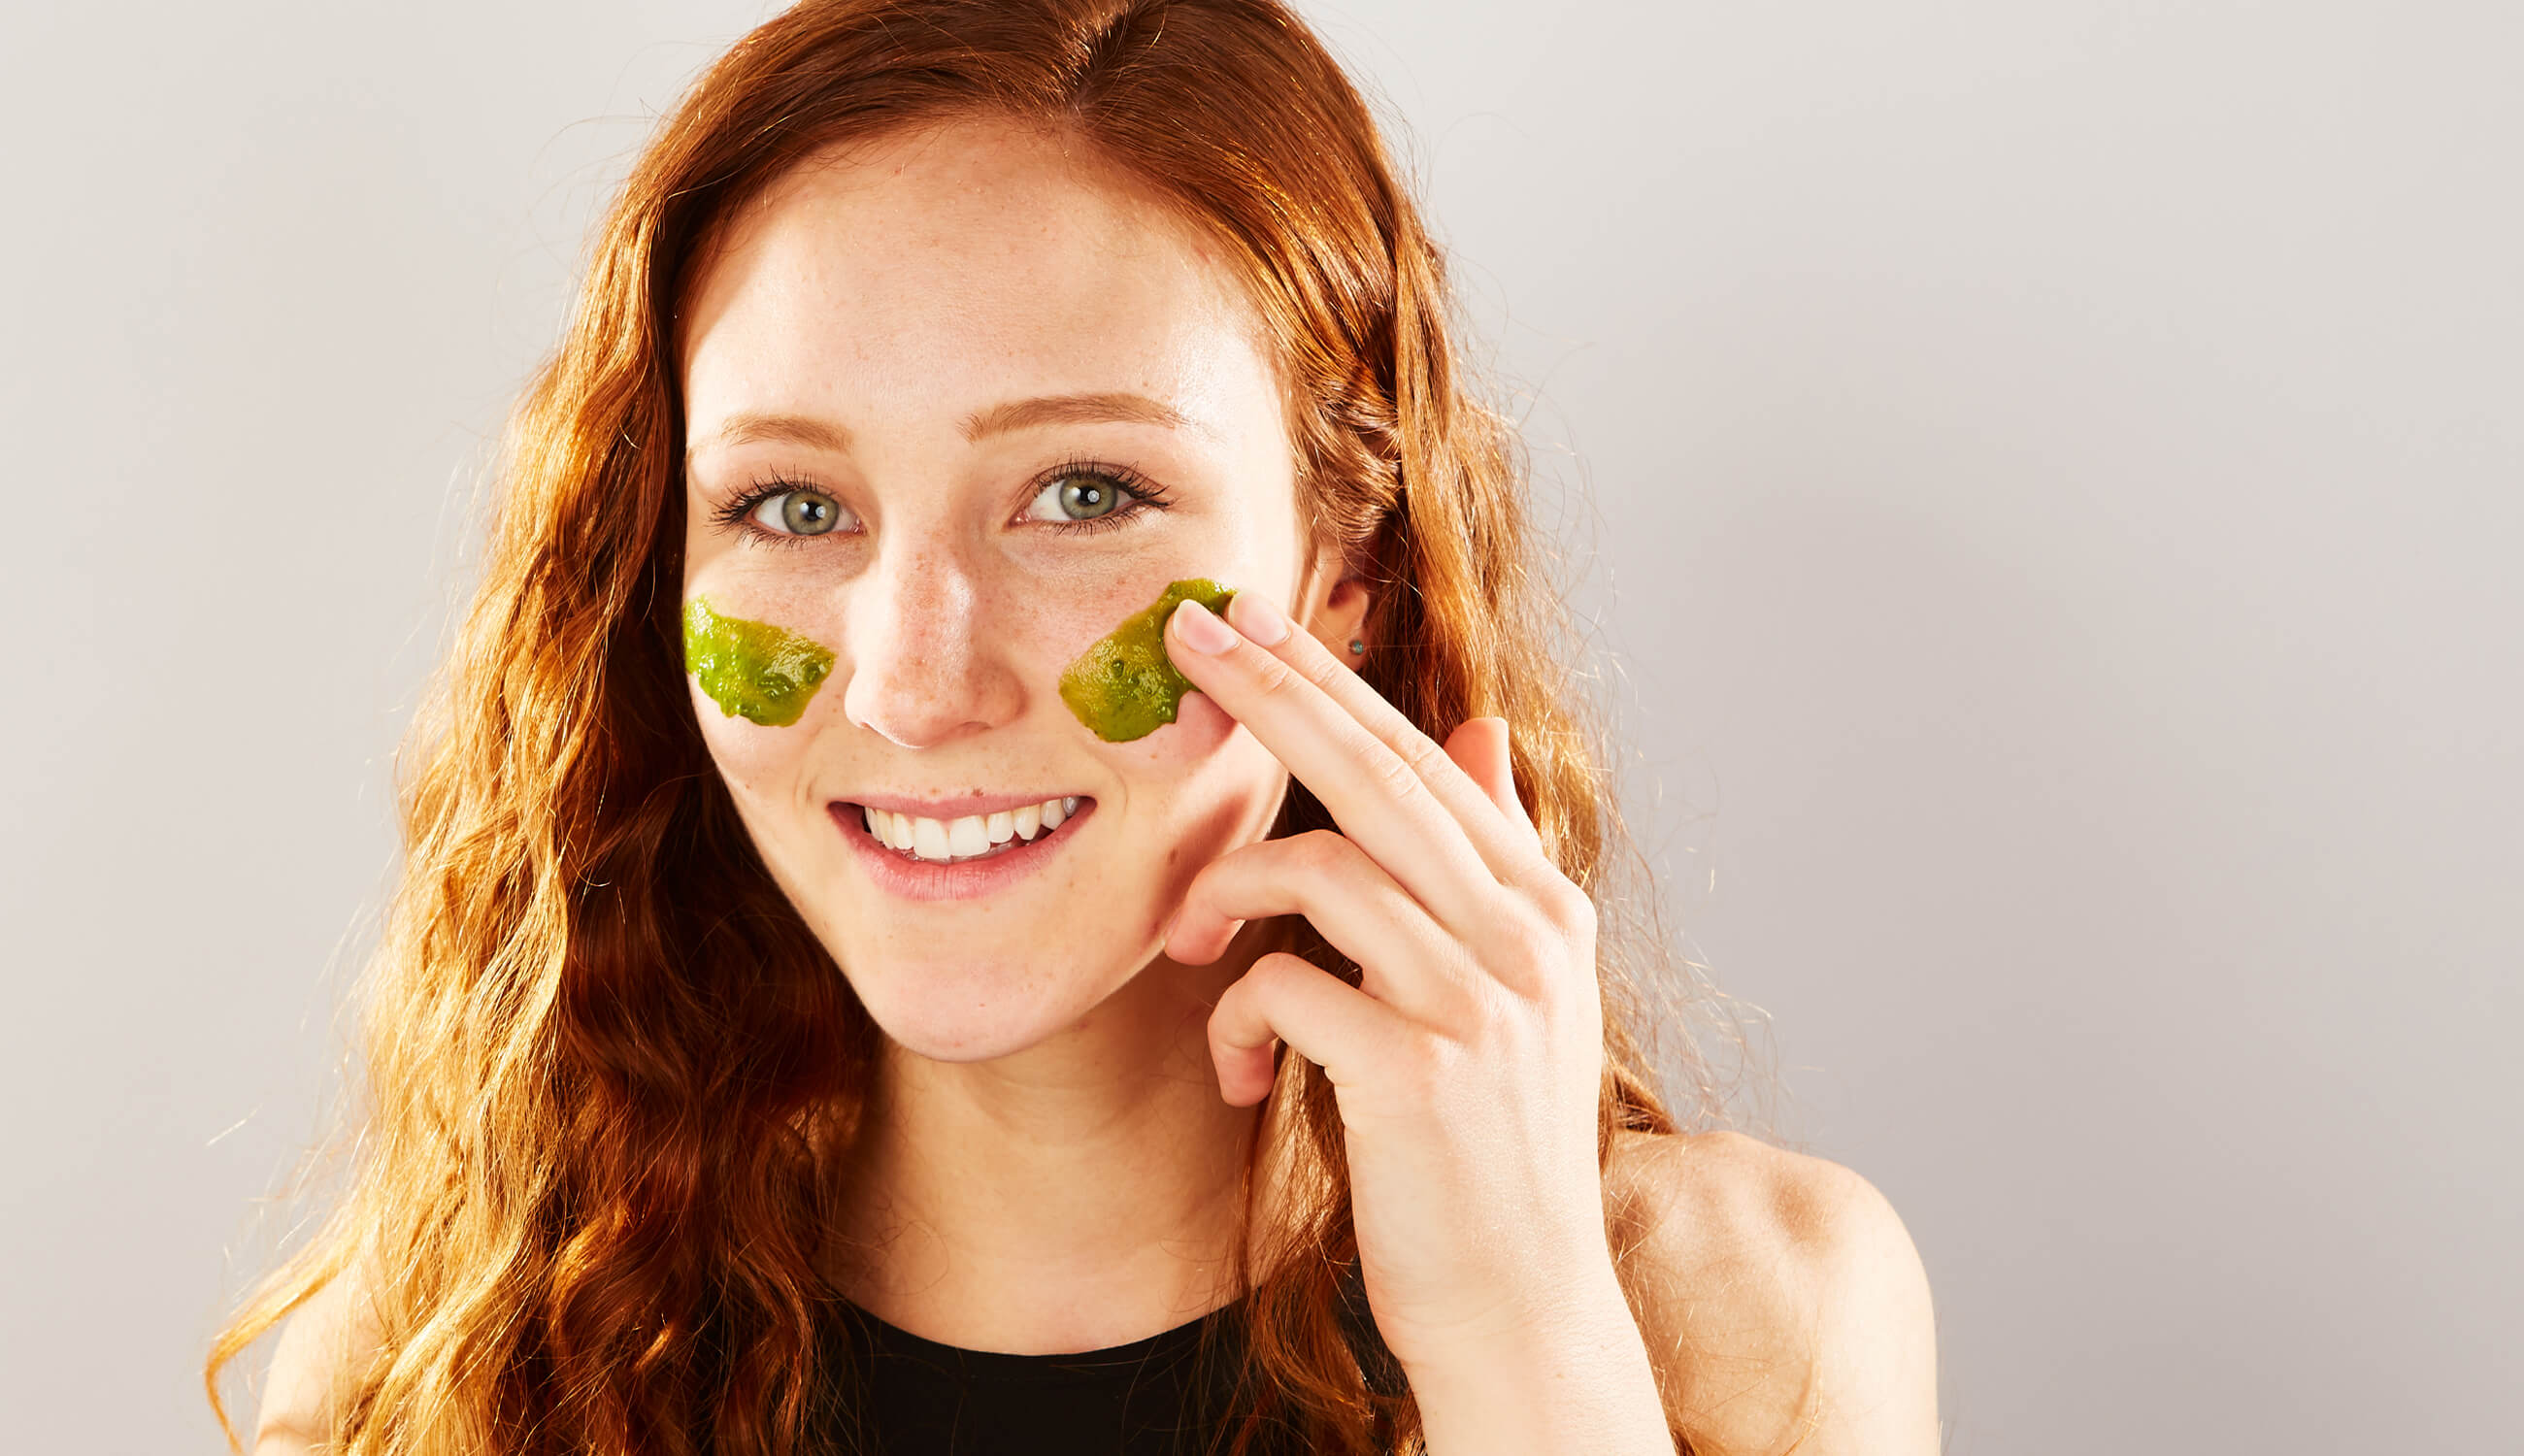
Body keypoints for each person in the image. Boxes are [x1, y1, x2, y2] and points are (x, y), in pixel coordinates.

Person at [208, 2, 1938, 1452]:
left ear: (1348, 566)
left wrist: (1519, 1338)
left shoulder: (1734, 1317)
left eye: (1087, 491)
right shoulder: (448, 1360)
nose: (914, 681)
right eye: (793, 509)